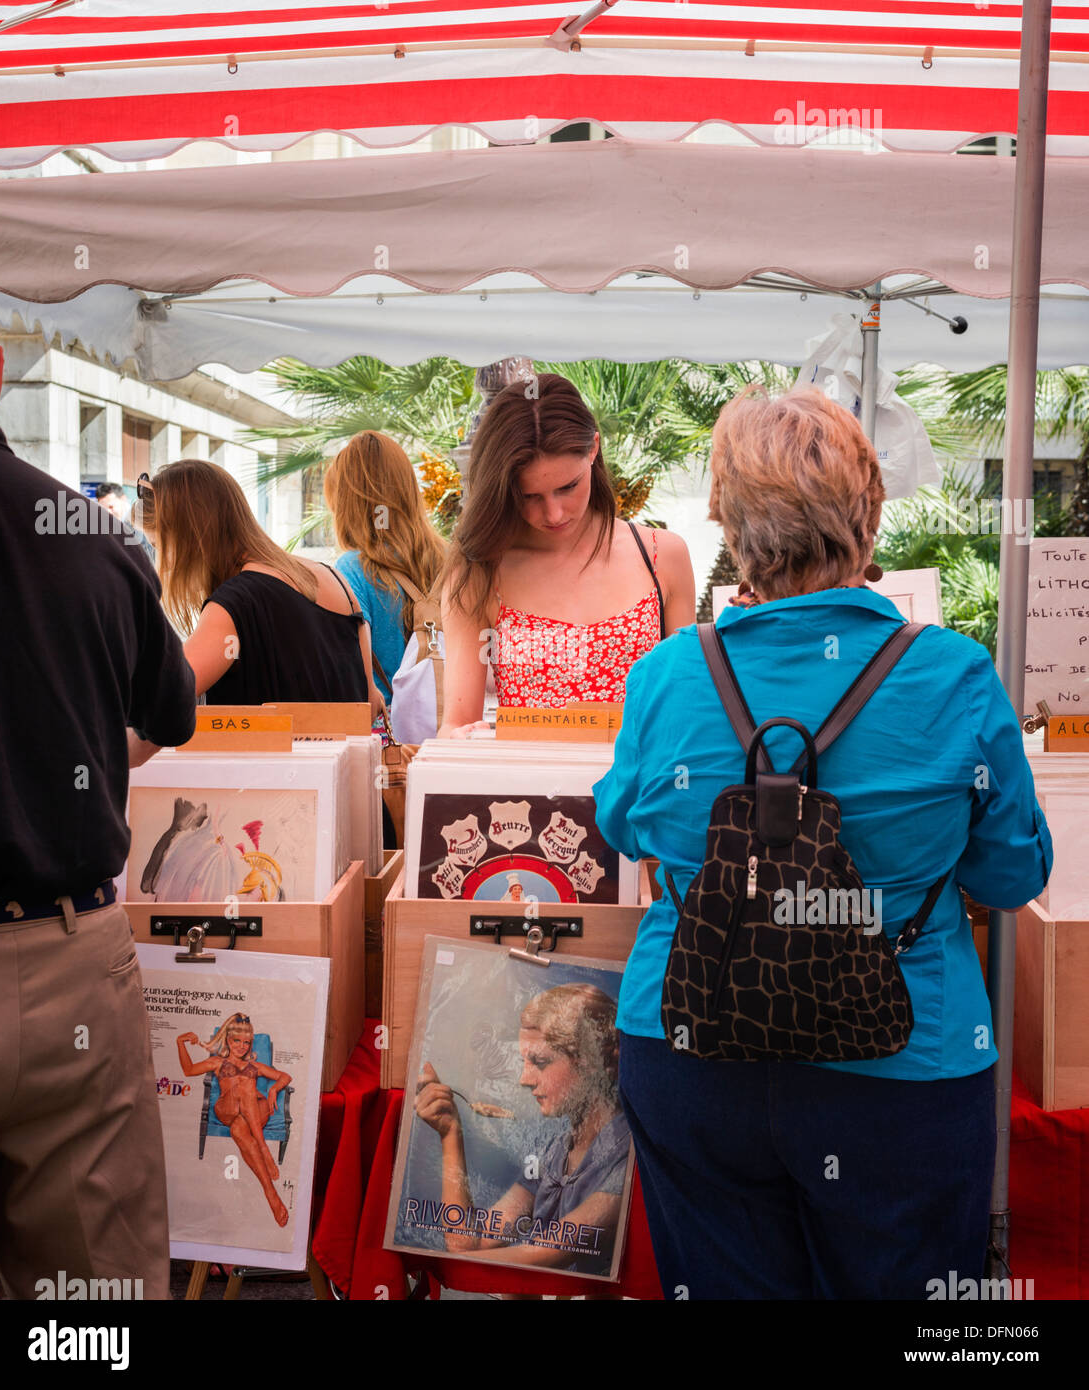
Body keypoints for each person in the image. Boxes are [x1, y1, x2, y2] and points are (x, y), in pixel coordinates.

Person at [593, 385, 1053, 1300]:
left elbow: (622, 823)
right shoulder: (954, 674)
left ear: (727, 521)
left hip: (694, 1041)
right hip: (902, 1062)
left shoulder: (668, 672)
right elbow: (1010, 875)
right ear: (869, 514)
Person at [0, 294, 196, 1300]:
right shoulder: (93, 537)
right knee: (94, 1298)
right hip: (66, 952)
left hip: (63, 940)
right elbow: (169, 712)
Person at [438, 373, 696, 736]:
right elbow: (456, 725)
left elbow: (684, 707)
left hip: (643, 789)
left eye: (568, 487)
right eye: (529, 496)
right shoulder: (479, 572)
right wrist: (463, 741)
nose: (554, 514)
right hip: (531, 789)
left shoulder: (662, 556)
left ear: (593, 449)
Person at [414, 983, 630, 1276]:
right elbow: (468, 1244)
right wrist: (451, 1133)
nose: (524, 1079)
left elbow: (552, 1252)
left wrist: (433, 1262)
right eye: (524, 1062)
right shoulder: (555, 1154)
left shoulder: (626, 1155)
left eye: (540, 1062)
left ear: (592, 1061)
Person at [139, 458, 382, 716]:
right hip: (344, 755)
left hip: (272, 757)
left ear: (189, 538)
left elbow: (162, 696)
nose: (161, 563)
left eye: (158, 545)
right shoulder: (335, 579)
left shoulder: (232, 607)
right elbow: (371, 702)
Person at [323, 430, 446, 704]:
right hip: (448, 730)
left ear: (347, 503)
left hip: (387, 737)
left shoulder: (352, 570)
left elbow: (348, 673)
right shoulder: (449, 561)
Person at [176, 1014, 292, 1228]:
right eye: (237, 1041)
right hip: (227, 1108)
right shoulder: (217, 1062)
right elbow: (188, 1070)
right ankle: (264, 1150)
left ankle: (270, 1193)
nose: (242, 1046)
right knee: (243, 1087)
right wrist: (180, 1042)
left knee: (239, 1130)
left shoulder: (255, 1065)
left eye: (246, 1042)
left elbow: (285, 1076)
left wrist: (275, 1088)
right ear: (228, 1040)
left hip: (257, 1110)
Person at [97, 480, 156, 564]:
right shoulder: (113, 527)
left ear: (123, 499)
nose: (108, 512)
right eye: (103, 509)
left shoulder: (139, 521)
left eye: (111, 506)